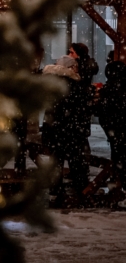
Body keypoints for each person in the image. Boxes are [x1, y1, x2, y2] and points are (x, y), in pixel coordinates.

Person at [42, 55, 94, 196]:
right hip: (71, 129)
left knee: (56, 161)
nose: (77, 68)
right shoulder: (74, 85)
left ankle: (55, 189)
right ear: (70, 67)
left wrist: (47, 131)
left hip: (56, 129)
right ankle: (81, 189)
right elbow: (81, 108)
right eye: (75, 66)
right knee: (76, 161)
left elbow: (49, 110)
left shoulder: (52, 84)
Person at [97, 61, 126, 187]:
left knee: (117, 152)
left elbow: (100, 110)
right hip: (119, 125)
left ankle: (119, 179)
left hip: (112, 125)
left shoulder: (107, 89)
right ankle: (120, 180)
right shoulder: (121, 87)